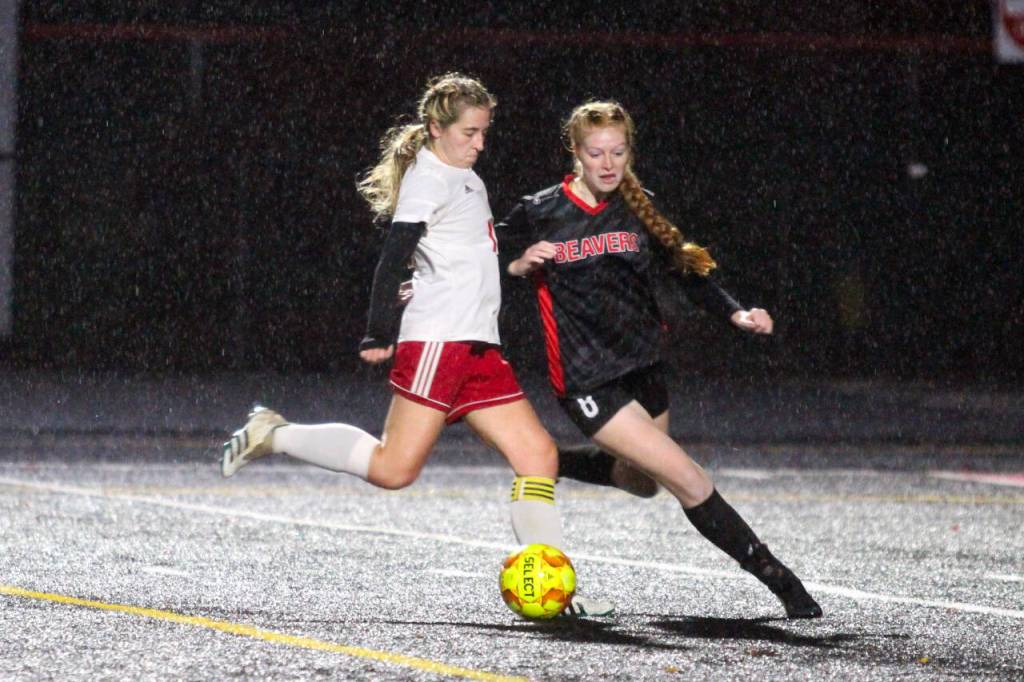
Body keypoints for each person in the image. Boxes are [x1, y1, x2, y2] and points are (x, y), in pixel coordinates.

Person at [220, 73, 612, 616]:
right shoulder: (428, 179)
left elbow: (467, 247)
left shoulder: (466, 178)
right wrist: (379, 330)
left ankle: (554, 590)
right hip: (438, 342)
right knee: (393, 469)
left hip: (477, 345)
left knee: (538, 456)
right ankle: (274, 434)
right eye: (470, 132)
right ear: (435, 128)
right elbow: (393, 256)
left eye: (484, 132)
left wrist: (517, 259)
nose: (480, 143)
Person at [497, 100, 822, 619]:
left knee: (641, 481)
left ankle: (551, 461)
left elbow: (686, 271)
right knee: (688, 479)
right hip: (588, 381)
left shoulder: (637, 205)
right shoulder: (539, 210)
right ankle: (779, 579)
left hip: (644, 369)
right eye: (596, 153)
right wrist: (515, 265)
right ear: (575, 152)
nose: (608, 164)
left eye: (618, 152)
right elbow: (480, 255)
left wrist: (735, 313)